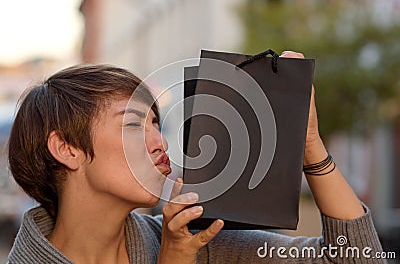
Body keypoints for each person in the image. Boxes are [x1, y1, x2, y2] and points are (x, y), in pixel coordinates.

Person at [7, 51, 385, 264]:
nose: (159, 143)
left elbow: (357, 259)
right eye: (134, 124)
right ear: (66, 149)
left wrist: (309, 146)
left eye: (157, 123)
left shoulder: (193, 243)